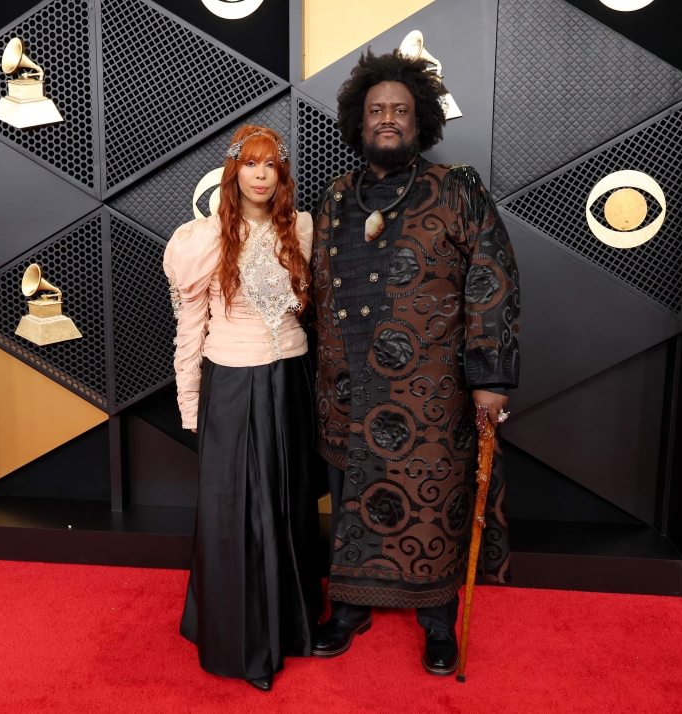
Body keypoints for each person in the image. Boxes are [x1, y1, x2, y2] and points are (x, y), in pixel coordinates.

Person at [309, 49, 521, 676]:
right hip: (347, 388)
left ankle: (437, 624)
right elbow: (315, 289)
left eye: (400, 110)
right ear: (359, 120)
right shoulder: (335, 198)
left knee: (434, 506)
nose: (388, 120)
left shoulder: (457, 189)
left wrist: (490, 379)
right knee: (352, 499)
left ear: (420, 119)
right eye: (377, 110)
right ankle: (348, 610)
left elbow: (492, 282)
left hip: (432, 395)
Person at [163, 125, 322, 692]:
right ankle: (245, 642)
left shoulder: (300, 228)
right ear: (233, 173)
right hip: (232, 384)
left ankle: (295, 625)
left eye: (271, 165)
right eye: (250, 165)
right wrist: (191, 405)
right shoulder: (202, 240)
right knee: (240, 514)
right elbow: (189, 329)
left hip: (292, 379)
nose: (260, 174)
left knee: (289, 503)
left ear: (281, 175)